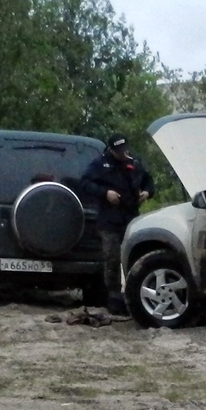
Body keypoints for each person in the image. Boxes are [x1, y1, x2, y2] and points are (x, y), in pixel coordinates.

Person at [77, 134, 155, 314]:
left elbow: (149, 182)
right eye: (118, 151)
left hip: (131, 217)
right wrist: (105, 193)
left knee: (135, 257)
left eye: (124, 149)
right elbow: (85, 184)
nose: (122, 153)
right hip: (109, 219)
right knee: (112, 258)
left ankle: (134, 295)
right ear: (111, 149)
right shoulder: (100, 164)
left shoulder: (135, 163)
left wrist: (147, 193)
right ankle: (113, 297)